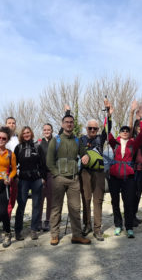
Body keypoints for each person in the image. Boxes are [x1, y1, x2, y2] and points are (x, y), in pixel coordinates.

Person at [46, 109, 91, 245]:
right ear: (62, 124)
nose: (69, 124)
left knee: (75, 209)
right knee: (56, 208)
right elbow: (49, 161)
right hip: (59, 179)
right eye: (66, 122)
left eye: (71, 122)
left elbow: (84, 153)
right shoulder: (55, 140)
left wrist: (86, 156)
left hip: (74, 180)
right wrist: (57, 175)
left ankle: (77, 235)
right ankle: (54, 235)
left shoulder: (77, 140)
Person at [107, 101, 142, 238]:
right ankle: (118, 225)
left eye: (127, 131)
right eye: (122, 130)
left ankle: (129, 227)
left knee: (128, 203)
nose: (124, 132)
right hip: (114, 177)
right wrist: (109, 116)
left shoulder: (133, 144)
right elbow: (106, 131)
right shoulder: (115, 143)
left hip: (128, 177)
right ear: (119, 133)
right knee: (115, 202)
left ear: (129, 133)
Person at [79, 100, 111, 241]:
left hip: (99, 173)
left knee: (98, 200)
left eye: (95, 129)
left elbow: (108, 128)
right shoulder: (80, 140)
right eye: (90, 128)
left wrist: (109, 114)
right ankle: (87, 225)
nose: (92, 130)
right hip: (85, 173)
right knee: (86, 199)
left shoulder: (100, 138)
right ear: (86, 129)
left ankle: (97, 229)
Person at [14, 126, 46, 240]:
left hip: (36, 179)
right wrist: (15, 177)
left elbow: (43, 163)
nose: (26, 134)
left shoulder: (37, 146)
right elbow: (13, 164)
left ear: (31, 133)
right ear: (21, 135)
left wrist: (43, 178)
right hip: (23, 180)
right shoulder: (18, 148)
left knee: (36, 205)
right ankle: (18, 231)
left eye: (28, 132)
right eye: (24, 133)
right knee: (21, 205)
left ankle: (34, 230)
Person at [38, 123, 54, 231]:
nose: (46, 131)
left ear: (52, 130)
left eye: (48, 129)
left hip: (52, 174)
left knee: (50, 199)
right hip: (41, 175)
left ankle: (48, 221)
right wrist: (40, 175)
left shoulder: (55, 142)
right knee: (40, 199)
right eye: (45, 130)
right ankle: (38, 221)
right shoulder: (39, 143)